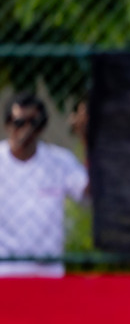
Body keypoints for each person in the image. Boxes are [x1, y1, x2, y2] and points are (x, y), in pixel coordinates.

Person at [0, 94, 89, 277]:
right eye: (19, 122)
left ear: (41, 128)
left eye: (34, 123)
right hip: (5, 272)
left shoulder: (58, 161)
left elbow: (88, 193)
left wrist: (86, 139)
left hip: (48, 273)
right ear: (8, 125)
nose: (26, 130)